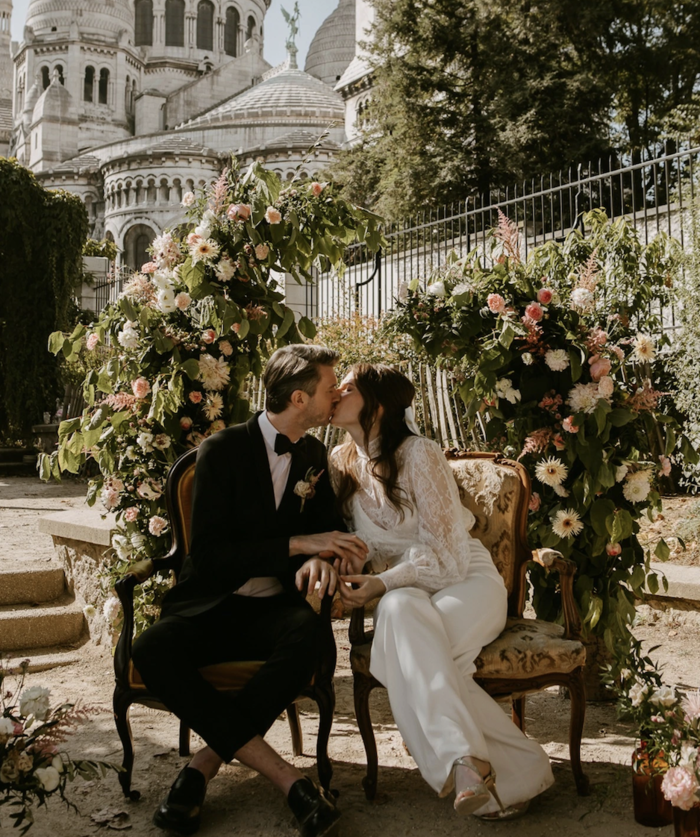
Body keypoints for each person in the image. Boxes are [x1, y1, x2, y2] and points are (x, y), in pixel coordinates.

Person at [132, 345, 368, 837]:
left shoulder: (313, 455)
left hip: (274, 612)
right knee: (151, 649)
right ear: (300, 398)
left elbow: (326, 529)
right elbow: (212, 556)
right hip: (211, 606)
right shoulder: (222, 450)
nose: (337, 395)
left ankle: (201, 765)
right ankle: (289, 780)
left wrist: (322, 560)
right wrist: (301, 542)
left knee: (311, 641)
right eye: (330, 389)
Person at [329, 364, 554, 820]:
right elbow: (355, 540)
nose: (336, 391)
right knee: (407, 622)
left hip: (465, 583)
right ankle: (482, 765)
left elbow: (448, 559)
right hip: (406, 597)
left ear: (379, 403)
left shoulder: (420, 454)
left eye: (348, 387)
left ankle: (479, 763)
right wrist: (350, 561)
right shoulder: (339, 462)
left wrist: (382, 581)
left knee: (402, 641)